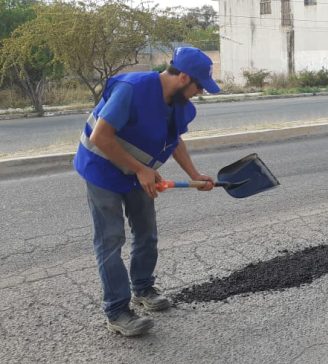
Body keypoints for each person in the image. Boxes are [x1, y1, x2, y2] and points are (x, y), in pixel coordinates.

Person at [73, 47, 220, 336]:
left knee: (146, 232)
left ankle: (143, 288)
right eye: (199, 86)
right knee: (111, 239)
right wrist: (140, 170)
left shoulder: (177, 103)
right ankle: (117, 311)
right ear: (184, 78)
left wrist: (194, 174)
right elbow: (100, 135)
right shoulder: (132, 89)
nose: (200, 92)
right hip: (101, 168)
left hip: (139, 173)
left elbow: (174, 139)